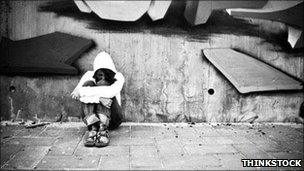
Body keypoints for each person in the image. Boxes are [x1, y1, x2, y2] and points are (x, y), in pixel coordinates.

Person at [71, 51, 125, 147]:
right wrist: (99, 98)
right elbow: (76, 94)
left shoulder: (118, 76)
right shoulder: (89, 75)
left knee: (102, 85)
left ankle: (103, 129)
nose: (103, 77)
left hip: (113, 118)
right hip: (91, 119)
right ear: (95, 72)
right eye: (100, 75)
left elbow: (109, 92)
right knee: (89, 84)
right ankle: (93, 128)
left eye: (106, 75)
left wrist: (83, 92)